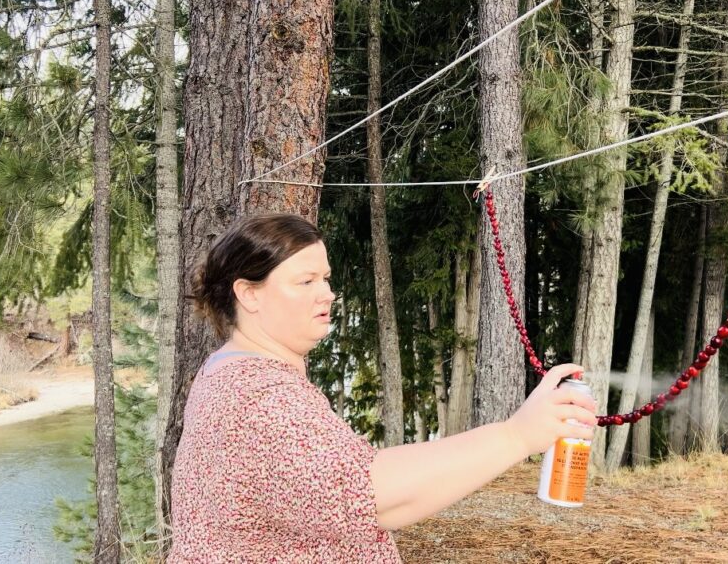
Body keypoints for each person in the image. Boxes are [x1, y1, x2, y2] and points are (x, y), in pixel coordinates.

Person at [168, 213, 597, 563]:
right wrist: (516, 435)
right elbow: (372, 497)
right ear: (249, 294)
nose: (328, 294)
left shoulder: (231, 369)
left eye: (326, 278)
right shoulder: (260, 396)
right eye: (306, 281)